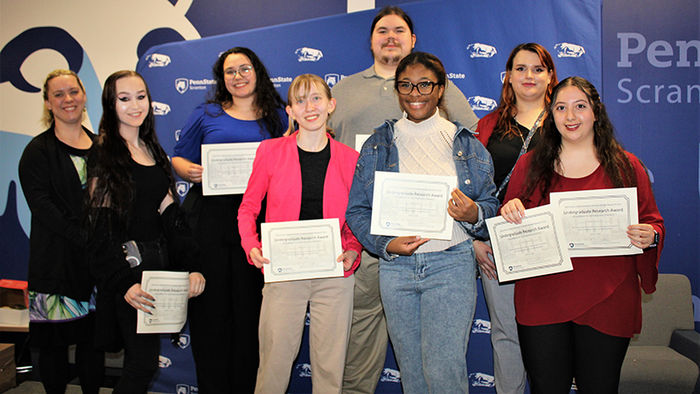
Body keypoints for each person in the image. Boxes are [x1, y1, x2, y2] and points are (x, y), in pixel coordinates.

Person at [327, 7, 480, 391]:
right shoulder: (342, 90)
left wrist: (472, 218)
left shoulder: (438, 87)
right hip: (367, 238)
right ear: (372, 39)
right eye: (382, 30)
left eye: (399, 30)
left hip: (436, 245)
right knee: (364, 343)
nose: (390, 36)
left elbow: (472, 143)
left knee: (440, 362)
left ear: (413, 40)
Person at [499, 76, 664, 393]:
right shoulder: (528, 166)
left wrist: (651, 236)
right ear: (551, 115)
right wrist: (509, 212)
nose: (570, 116)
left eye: (580, 106)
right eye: (561, 107)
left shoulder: (627, 167)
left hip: (609, 298)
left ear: (596, 113)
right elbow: (509, 225)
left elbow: (653, 221)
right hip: (542, 297)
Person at [345, 52, 498, 393]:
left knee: (445, 372)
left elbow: (490, 205)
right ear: (398, 89)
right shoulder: (378, 144)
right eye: (406, 85)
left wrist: (474, 214)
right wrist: (385, 244)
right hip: (397, 268)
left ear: (440, 89)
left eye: (425, 84)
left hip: (451, 266)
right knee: (412, 373)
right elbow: (356, 211)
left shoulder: (467, 145)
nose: (415, 93)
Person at [171, 47, 287, 393]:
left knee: (252, 311)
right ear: (222, 79)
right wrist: (187, 170)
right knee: (212, 312)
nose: (238, 76)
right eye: (229, 71)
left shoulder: (278, 117)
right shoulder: (206, 114)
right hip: (211, 221)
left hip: (257, 221)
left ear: (258, 71)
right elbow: (178, 158)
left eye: (244, 68)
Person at [237, 74, 362, 393]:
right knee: (274, 365)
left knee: (330, 368)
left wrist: (353, 249)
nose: (310, 107)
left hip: (334, 273)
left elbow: (356, 218)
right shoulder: (269, 151)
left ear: (331, 105)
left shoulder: (351, 159)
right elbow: (248, 207)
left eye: (317, 98)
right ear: (290, 110)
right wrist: (251, 244)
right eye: (301, 100)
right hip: (283, 272)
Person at [86, 70, 205, 393]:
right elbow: (100, 224)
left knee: (144, 363)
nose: (135, 105)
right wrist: (122, 281)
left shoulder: (153, 149)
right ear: (110, 105)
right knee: (141, 364)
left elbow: (171, 217)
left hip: (157, 272)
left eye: (141, 96)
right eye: (124, 99)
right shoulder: (104, 151)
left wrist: (192, 264)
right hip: (127, 274)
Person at [473, 43, 557, 394]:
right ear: (507, 76)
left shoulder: (564, 120)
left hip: (552, 245)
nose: (529, 76)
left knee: (551, 332)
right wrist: (475, 240)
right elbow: (473, 187)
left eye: (538, 68)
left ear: (550, 76)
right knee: (506, 332)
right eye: (520, 69)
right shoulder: (488, 126)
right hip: (498, 244)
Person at [18, 69, 104, 394]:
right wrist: (87, 238)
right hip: (54, 266)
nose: (68, 100)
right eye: (58, 94)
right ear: (48, 103)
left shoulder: (102, 148)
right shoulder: (37, 152)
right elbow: (44, 209)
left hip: (95, 268)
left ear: (84, 96)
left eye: (73, 92)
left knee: (92, 345)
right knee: (54, 349)